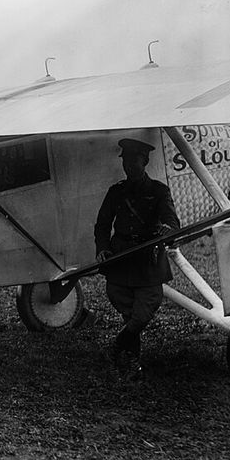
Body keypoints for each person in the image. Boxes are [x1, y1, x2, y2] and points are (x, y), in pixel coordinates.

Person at [94, 138, 181, 381]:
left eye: (135, 160)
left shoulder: (159, 191)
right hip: (121, 257)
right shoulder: (116, 192)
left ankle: (117, 346)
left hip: (147, 258)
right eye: (126, 161)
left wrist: (166, 230)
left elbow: (173, 223)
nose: (129, 165)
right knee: (126, 307)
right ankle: (132, 362)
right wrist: (102, 248)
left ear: (145, 161)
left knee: (144, 310)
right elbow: (102, 225)